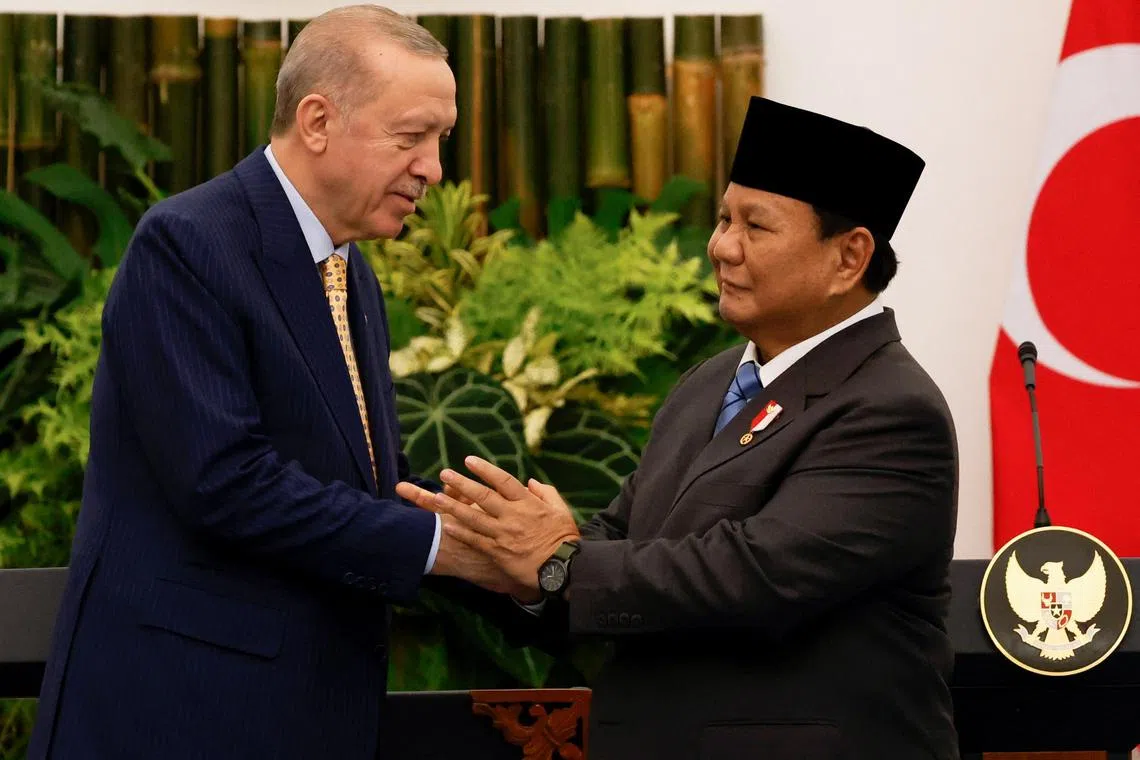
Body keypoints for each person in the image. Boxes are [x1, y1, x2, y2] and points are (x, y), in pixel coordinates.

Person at [399, 97, 961, 760]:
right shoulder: (710, 382)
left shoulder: (890, 410)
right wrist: (495, 560)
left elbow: (753, 574)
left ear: (848, 258)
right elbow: (617, 543)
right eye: (724, 219)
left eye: (756, 226)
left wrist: (557, 564)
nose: (721, 246)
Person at [28, 7, 514, 758]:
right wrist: (438, 544)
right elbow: (225, 480)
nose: (433, 170)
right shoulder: (188, 243)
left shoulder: (352, 276)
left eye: (440, 142)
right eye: (411, 137)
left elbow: (363, 484)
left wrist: (515, 547)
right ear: (317, 120)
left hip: (306, 713)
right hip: (182, 716)